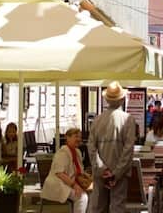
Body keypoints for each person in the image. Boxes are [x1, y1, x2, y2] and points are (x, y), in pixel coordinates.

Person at [87, 82, 144, 213]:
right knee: (117, 207)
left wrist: (102, 168)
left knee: (98, 207)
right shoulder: (128, 119)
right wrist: (116, 173)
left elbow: (91, 146)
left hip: (100, 172)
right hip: (120, 173)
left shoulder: (97, 120)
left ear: (106, 100)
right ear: (122, 99)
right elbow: (128, 149)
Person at [43, 128, 89, 213]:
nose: (79, 139)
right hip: (57, 184)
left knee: (93, 193)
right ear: (67, 137)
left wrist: (88, 177)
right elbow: (60, 174)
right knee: (82, 197)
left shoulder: (77, 152)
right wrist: (75, 185)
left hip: (68, 183)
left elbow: (79, 171)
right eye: (76, 137)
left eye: (80, 137)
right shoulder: (62, 153)